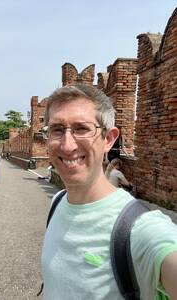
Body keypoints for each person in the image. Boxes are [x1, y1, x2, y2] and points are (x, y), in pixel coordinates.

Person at [40, 84, 177, 299]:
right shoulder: (57, 202)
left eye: (82, 129)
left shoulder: (140, 229)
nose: (67, 146)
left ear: (109, 139)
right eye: (57, 129)